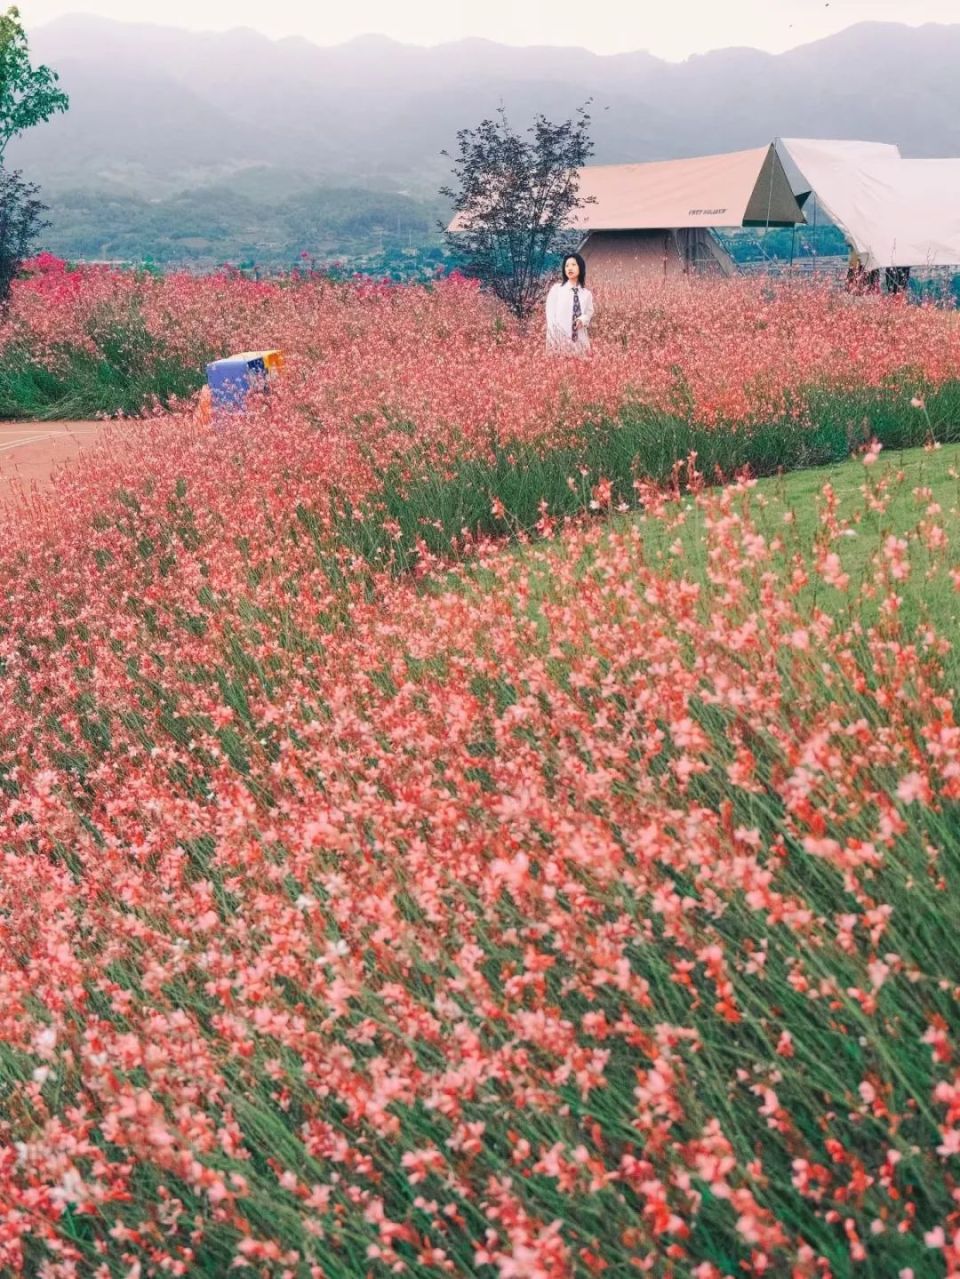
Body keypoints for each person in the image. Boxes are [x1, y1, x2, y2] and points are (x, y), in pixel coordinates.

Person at [546, 252, 594, 355]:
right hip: (560, 341)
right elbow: (550, 317)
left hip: (580, 341)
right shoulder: (556, 290)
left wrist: (582, 319)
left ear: (580, 267)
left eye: (573, 265)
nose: (569, 268)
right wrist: (553, 341)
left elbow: (589, 314)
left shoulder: (586, 294)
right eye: (566, 266)